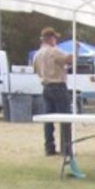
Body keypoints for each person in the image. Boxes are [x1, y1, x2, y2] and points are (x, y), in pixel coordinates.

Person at [32, 27, 73, 157]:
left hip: (46, 86)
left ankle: (49, 147)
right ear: (51, 39)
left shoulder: (37, 54)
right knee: (65, 118)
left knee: (48, 119)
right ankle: (66, 148)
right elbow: (68, 59)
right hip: (58, 85)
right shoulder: (53, 51)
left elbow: (36, 70)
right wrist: (75, 51)